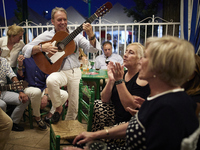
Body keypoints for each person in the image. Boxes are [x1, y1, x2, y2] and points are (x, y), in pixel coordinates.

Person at [65, 36, 199, 150]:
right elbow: (135, 126)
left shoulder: (169, 108)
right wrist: (95, 135)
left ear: (161, 67)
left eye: (145, 57)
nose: (141, 61)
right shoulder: (163, 99)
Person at [22, 7, 101, 123]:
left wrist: (91, 35)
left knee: (74, 106)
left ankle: (68, 129)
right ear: (53, 21)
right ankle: (58, 107)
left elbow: (93, 50)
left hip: (74, 72)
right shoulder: (47, 35)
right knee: (51, 80)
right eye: (59, 20)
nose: (63, 22)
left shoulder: (76, 36)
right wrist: (41, 47)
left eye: (65, 19)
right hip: (59, 71)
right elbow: (25, 49)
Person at [92, 43, 150, 133]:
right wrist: (111, 80)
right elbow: (104, 99)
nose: (125, 55)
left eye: (131, 53)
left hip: (131, 123)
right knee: (98, 104)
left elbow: (130, 107)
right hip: (116, 116)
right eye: (126, 51)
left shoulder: (141, 78)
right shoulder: (123, 73)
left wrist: (119, 81)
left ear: (140, 60)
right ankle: (95, 140)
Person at [17, 55, 68, 130]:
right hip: (29, 87)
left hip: (43, 88)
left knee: (64, 94)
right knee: (36, 92)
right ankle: (37, 118)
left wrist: (46, 95)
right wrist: (20, 65)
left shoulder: (45, 60)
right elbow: (20, 76)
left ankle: (50, 115)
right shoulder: (26, 59)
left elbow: (48, 80)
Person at [0, 55, 29, 131]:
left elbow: (12, 75)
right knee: (2, 105)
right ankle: (3, 126)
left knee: (25, 100)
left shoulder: (3, 61)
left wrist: (20, 91)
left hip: (3, 91)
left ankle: (12, 124)